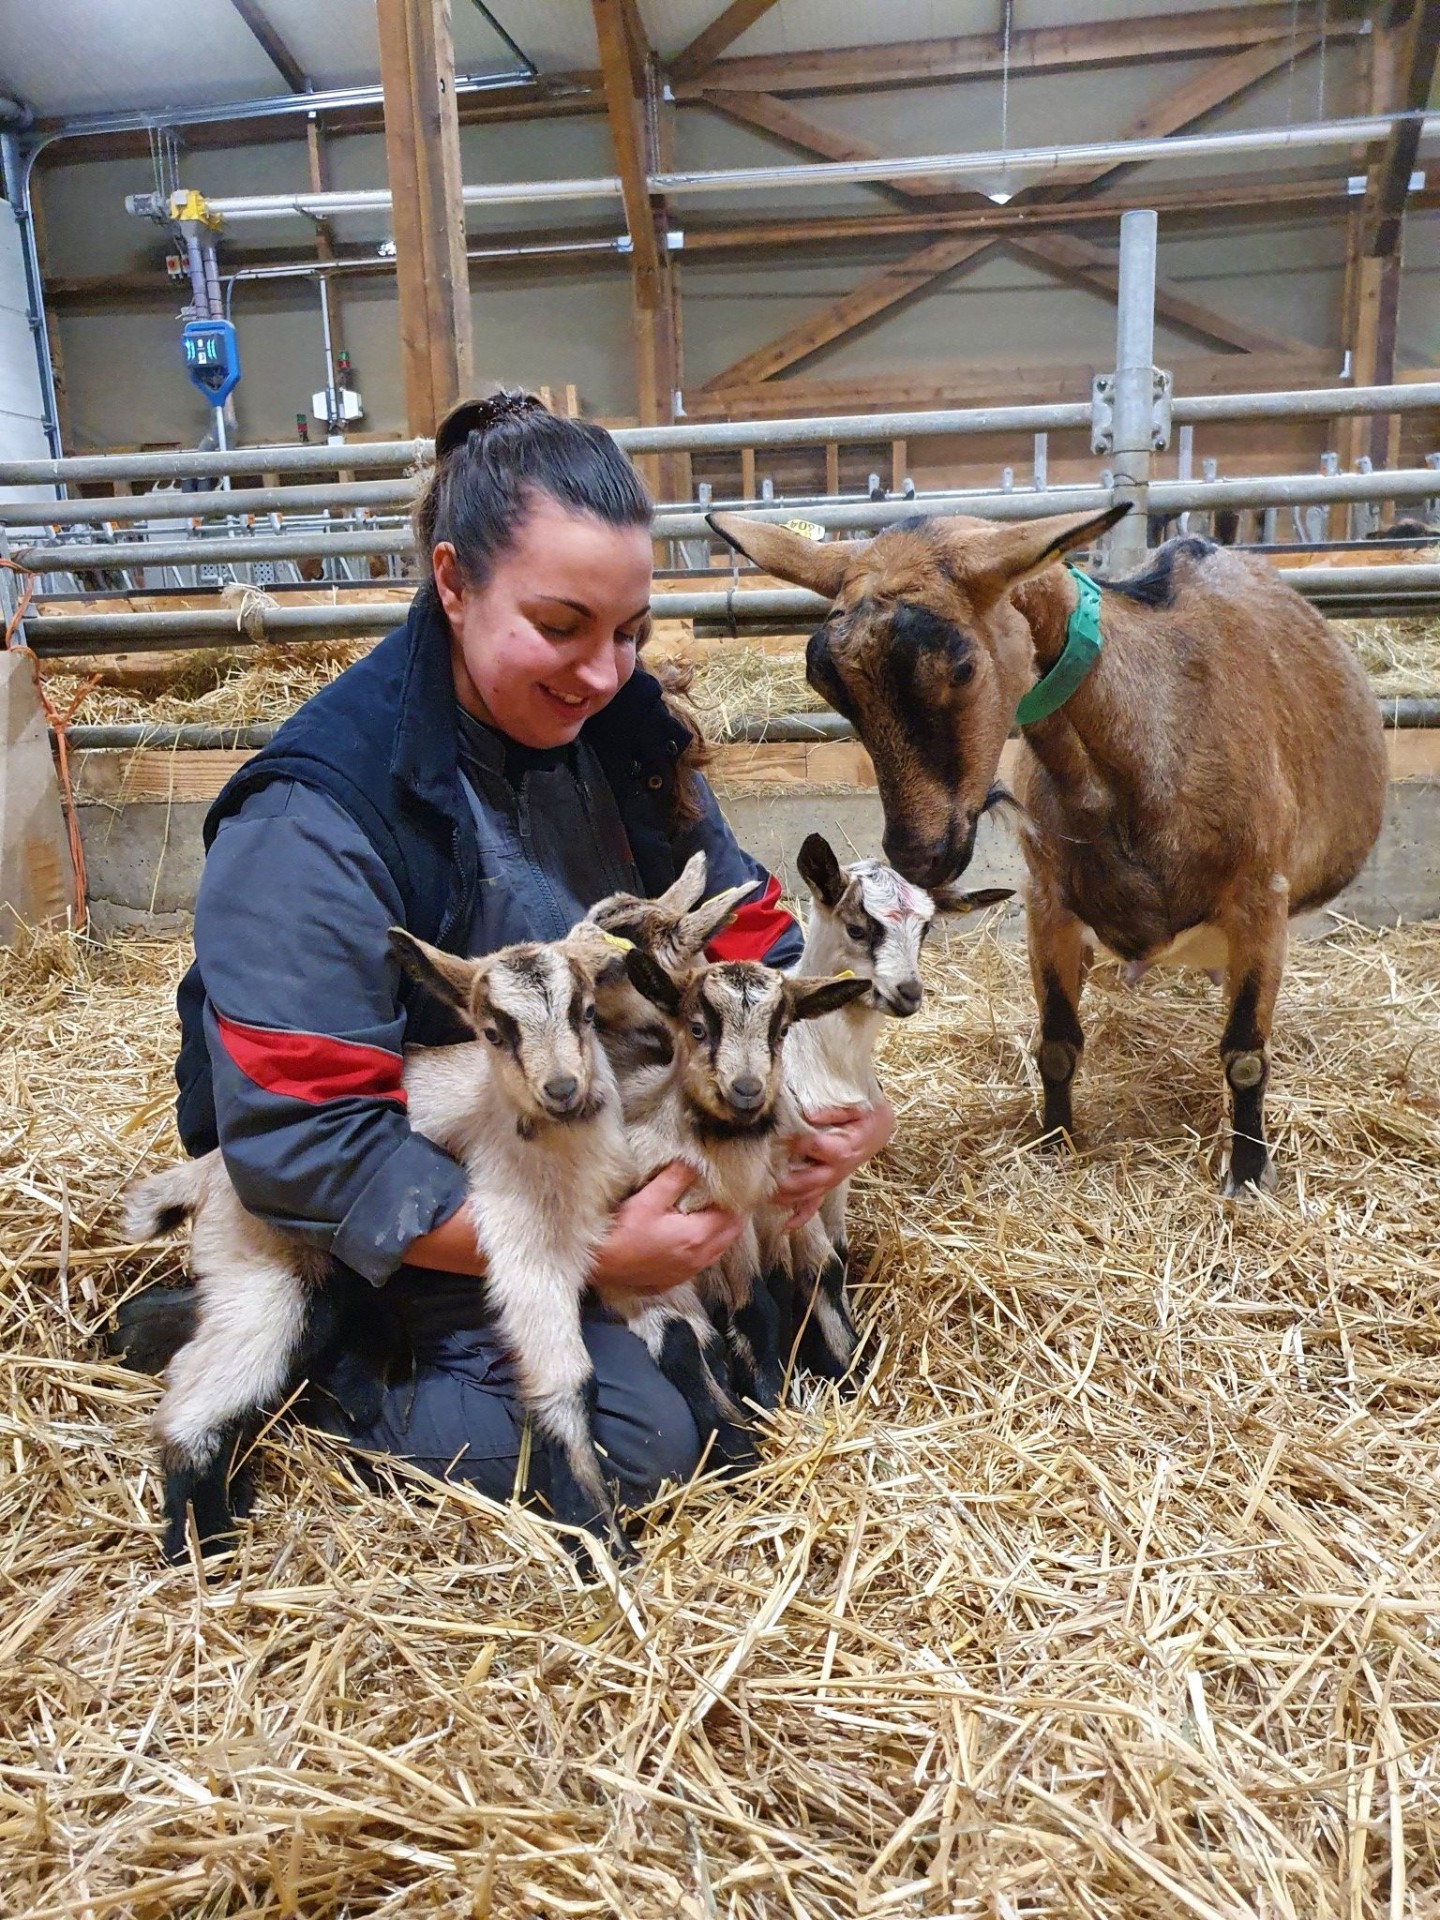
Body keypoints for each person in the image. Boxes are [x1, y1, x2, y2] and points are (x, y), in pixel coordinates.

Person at [162, 391, 894, 1517]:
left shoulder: (621, 730)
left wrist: (822, 1111)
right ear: (452, 583)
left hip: (582, 1136)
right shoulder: (313, 817)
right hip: (429, 1194)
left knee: (788, 1344)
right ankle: (318, 1361)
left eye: (631, 631)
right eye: (561, 627)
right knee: (639, 1445)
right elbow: (305, 1145)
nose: (605, 672)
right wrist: (587, 1252)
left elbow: (751, 936)